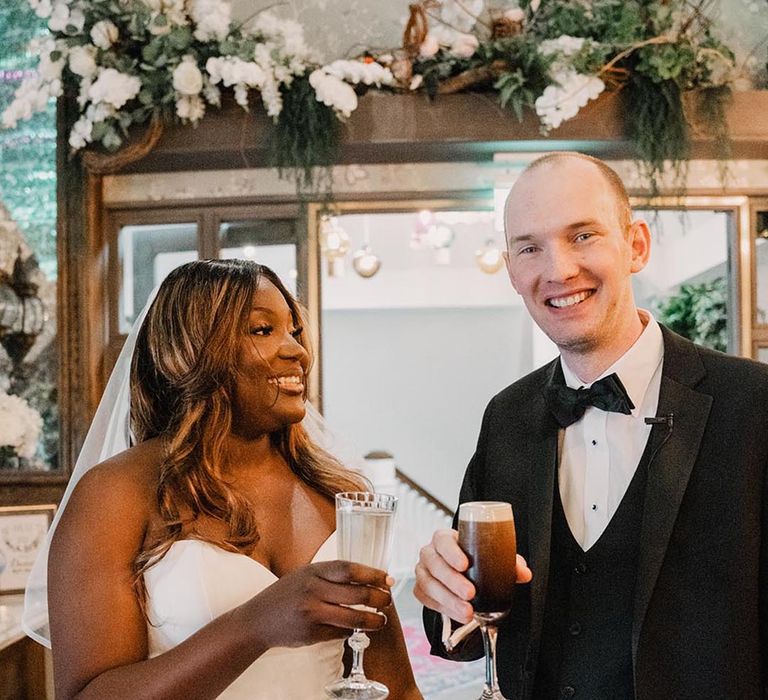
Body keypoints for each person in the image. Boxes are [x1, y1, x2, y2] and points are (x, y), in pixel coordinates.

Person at [415, 152, 768, 699]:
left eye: (582, 235)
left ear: (637, 245)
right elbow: (463, 631)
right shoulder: (506, 416)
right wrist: (441, 595)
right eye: (530, 247)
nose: (557, 270)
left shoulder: (754, 404)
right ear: (512, 270)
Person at [38, 259, 421, 699]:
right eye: (263, 331)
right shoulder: (116, 495)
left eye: (294, 332)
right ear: (192, 349)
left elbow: (399, 688)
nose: (297, 351)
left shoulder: (337, 493)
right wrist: (254, 625)